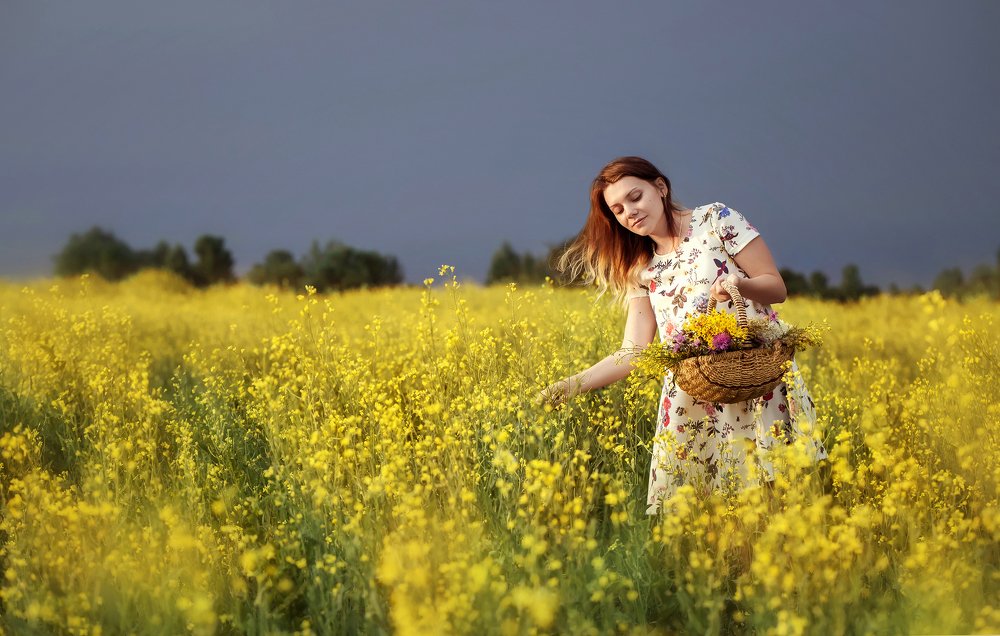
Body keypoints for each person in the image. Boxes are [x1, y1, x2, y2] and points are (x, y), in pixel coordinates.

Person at [540, 156, 828, 515]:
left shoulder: (717, 220)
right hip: (696, 395)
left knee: (781, 504)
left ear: (660, 187)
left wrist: (739, 284)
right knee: (713, 517)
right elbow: (633, 351)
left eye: (635, 197)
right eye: (618, 209)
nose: (630, 212)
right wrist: (571, 385)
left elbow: (776, 287)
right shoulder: (640, 269)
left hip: (757, 379)